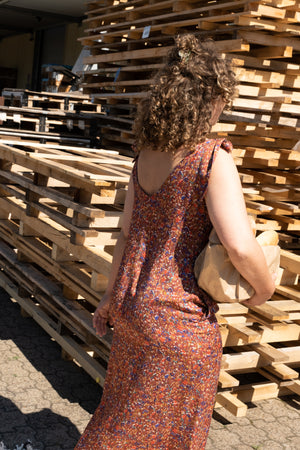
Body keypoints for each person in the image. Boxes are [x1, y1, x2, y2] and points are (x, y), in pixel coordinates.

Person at [75, 34, 276, 449]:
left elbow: (127, 234)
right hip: (176, 319)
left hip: (132, 309)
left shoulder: (143, 156)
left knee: (122, 416)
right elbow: (239, 244)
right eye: (223, 100)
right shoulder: (211, 157)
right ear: (209, 99)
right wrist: (265, 288)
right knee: (170, 434)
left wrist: (110, 297)